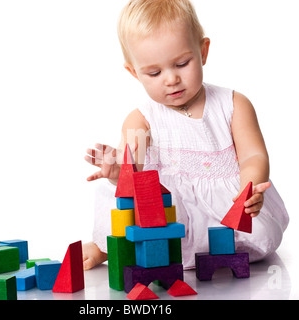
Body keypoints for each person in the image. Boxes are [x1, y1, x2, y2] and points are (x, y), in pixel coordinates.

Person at [83, 0, 289, 270]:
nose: (171, 79)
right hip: (170, 213)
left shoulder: (234, 104)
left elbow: (253, 154)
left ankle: (223, 253)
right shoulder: (141, 119)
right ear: (134, 72)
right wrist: (117, 169)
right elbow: (136, 168)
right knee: (135, 224)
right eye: (154, 72)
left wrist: (249, 188)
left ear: (203, 51)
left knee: (259, 233)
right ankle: (106, 249)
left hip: (225, 206)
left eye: (182, 63)